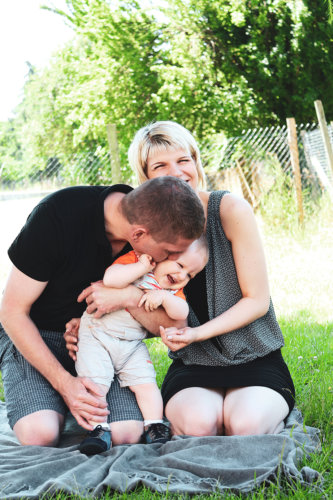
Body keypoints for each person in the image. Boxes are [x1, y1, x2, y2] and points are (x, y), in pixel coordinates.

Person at [67, 120, 295, 438]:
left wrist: (198, 333)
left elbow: (256, 301)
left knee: (246, 425)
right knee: (200, 425)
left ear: (196, 162)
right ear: (146, 177)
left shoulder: (229, 210)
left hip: (253, 354)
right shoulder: (145, 230)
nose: (176, 171)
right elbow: (137, 298)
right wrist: (91, 322)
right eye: (160, 165)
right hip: (193, 364)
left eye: (183, 159)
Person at [0, 176, 205, 447]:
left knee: (127, 433)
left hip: (107, 343)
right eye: (169, 252)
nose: (171, 262)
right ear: (139, 235)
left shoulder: (157, 225)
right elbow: (12, 311)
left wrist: (128, 298)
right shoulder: (57, 216)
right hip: (39, 334)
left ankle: (77, 402)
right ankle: (57, 400)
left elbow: (166, 325)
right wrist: (65, 384)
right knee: (40, 434)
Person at [76, 237, 208, 455]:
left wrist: (164, 298)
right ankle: (98, 429)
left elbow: (181, 312)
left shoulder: (172, 292)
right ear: (163, 255)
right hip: (98, 335)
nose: (182, 276)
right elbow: (111, 278)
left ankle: (154, 425)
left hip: (131, 343)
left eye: (190, 275)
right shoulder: (138, 261)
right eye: (180, 265)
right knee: (95, 383)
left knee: (146, 383)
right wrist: (140, 267)